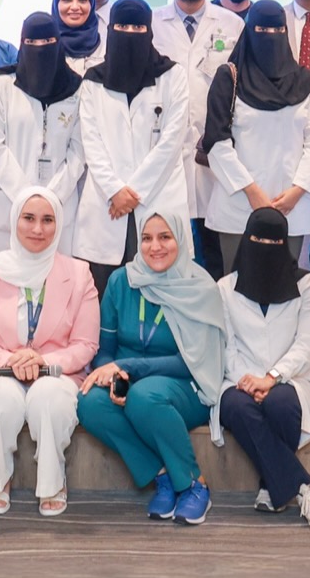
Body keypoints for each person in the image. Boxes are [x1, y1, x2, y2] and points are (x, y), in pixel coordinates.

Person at [78, 211, 229, 524]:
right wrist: (115, 377)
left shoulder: (199, 288)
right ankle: (162, 476)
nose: (155, 247)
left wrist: (127, 367)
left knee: (145, 395)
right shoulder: (122, 281)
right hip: (132, 382)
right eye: (146, 238)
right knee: (88, 402)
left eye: (165, 237)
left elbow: (190, 362)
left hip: (187, 384)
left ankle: (193, 483)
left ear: (181, 240)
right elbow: (105, 351)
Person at [0, 186, 100, 515]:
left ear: (59, 225)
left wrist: (42, 361)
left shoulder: (79, 274)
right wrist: (11, 361)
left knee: (49, 398)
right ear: (15, 221)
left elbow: (86, 344)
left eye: (47, 220)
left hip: (58, 372)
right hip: (1, 369)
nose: (38, 229)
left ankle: (54, 480)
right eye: (28, 218)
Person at [216, 207, 310, 527]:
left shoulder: (306, 285)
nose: (265, 248)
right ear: (246, 241)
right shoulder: (225, 287)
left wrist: (271, 377)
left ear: (285, 244)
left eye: (273, 242)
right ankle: (303, 489)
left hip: (290, 379)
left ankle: (271, 487)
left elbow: (307, 344)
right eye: (258, 241)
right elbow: (226, 346)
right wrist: (249, 381)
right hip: (238, 381)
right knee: (236, 407)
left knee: (281, 403)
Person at [77, 0, 191, 287]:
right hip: (107, 201)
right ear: (110, 30)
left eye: (138, 27)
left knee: (160, 286)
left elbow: (172, 141)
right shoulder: (93, 81)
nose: (130, 33)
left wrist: (132, 193)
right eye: (122, 27)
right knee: (105, 290)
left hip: (157, 195)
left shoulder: (172, 76)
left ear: (150, 30)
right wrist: (115, 190)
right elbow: (91, 142)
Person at [200, 0, 310, 265]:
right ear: (249, 31)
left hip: (291, 207)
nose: (270, 37)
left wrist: (297, 191)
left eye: (277, 30)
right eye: (262, 30)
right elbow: (217, 142)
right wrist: (252, 192)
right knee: (237, 283)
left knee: (286, 284)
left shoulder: (305, 82)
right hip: (239, 206)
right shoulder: (229, 77)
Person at [154, 0, 244, 263]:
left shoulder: (232, 24)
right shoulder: (153, 23)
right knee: (169, 242)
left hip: (214, 149)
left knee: (215, 246)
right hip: (166, 145)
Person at [0, 12, 86, 257]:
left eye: (47, 42)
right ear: (22, 43)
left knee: (56, 275)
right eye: (32, 42)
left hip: (59, 202)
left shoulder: (77, 89)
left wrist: (51, 197)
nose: (40, 49)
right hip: (9, 199)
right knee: (4, 274)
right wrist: (25, 196)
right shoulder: (3, 85)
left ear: (58, 43)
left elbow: (79, 150)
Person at [52, 0, 103, 73]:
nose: (75, 7)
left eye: (82, 0)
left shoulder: (106, 48)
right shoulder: (43, 47)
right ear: (56, 3)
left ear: (91, 3)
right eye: (67, 0)